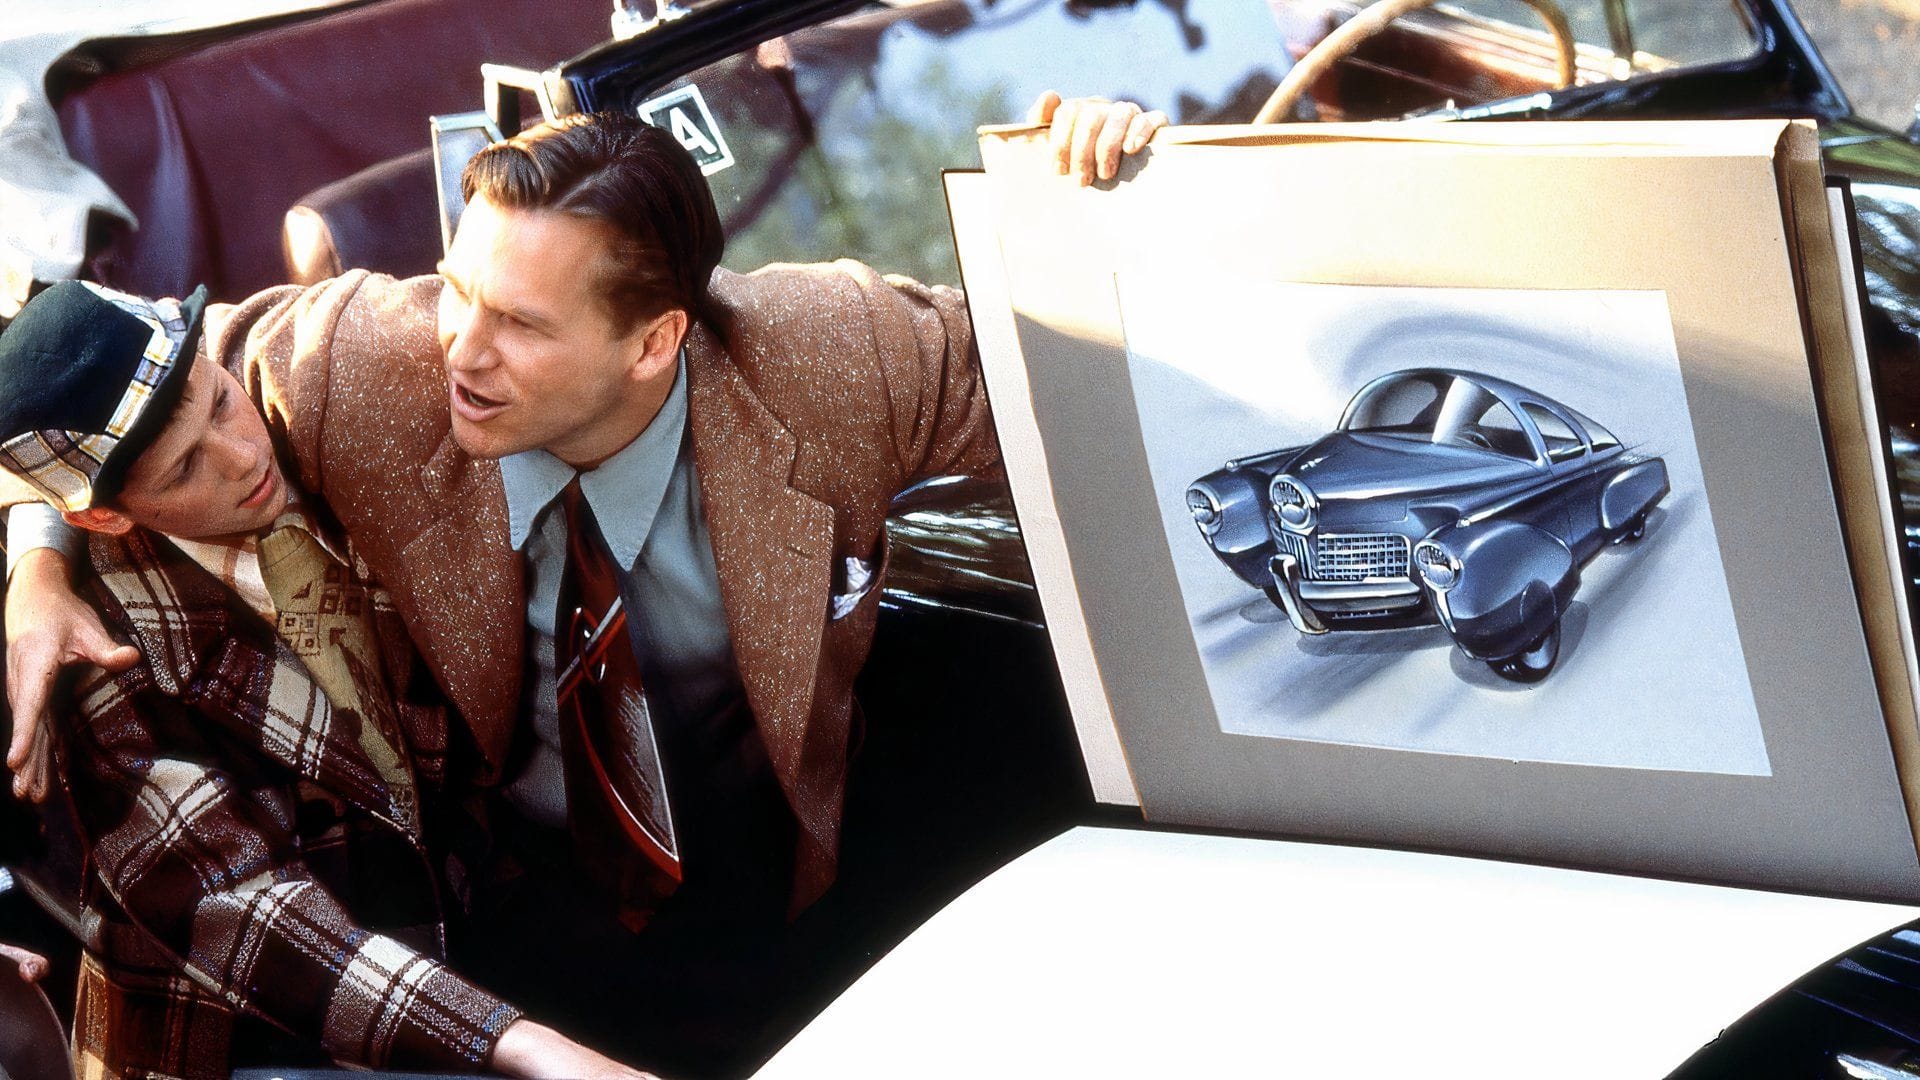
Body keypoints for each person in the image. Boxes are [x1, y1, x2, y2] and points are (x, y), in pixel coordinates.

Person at [3, 92, 1163, 1075]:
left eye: (516, 323)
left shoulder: (836, 353)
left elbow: (1104, 367)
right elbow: (88, 391)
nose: (458, 348)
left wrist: (1108, 200)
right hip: (507, 944)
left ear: (656, 340)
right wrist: (35, 558)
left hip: (798, 893)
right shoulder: (364, 363)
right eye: (457, 290)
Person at [0, 282, 652, 1079]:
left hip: (459, 934)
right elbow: (253, 917)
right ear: (103, 518)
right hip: (246, 1042)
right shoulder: (95, 666)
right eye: (183, 472)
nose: (242, 459)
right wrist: (529, 1047)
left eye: (218, 405)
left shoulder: (315, 427)